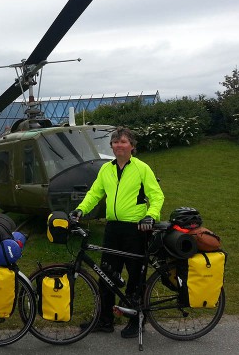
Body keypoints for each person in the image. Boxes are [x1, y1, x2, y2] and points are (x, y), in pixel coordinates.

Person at [69, 127, 163, 338]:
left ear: (132, 146)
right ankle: (104, 320)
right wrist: (80, 210)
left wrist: (151, 215)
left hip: (136, 229)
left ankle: (136, 320)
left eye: (123, 142)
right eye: (115, 142)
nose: (118, 145)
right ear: (111, 146)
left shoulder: (142, 168)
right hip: (113, 229)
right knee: (107, 275)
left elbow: (156, 196)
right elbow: (94, 193)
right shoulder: (106, 169)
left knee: (135, 277)